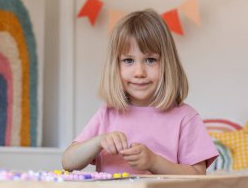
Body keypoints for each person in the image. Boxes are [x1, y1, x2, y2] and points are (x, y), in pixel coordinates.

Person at [62, 9, 218, 175]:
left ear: (167, 64)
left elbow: (198, 175)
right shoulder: (107, 113)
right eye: (128, 60)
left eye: (150, 60)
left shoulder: (185, 117)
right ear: (116, 66)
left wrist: (155, 162)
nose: (139, 72)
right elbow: (68, 161)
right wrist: (98, 142)